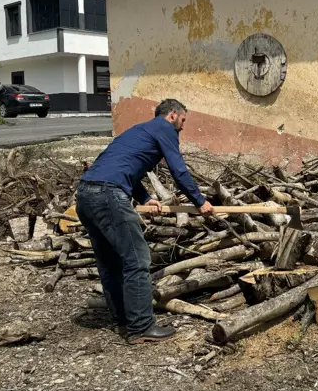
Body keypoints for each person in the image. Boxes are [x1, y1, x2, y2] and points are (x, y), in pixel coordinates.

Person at [75, 99, 215, 344]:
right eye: (183, 120)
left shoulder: (138, 131)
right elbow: (178, 170)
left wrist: (146, 198)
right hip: (109, 195)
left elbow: (123, 169)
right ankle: (140, 327)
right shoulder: (165, 129)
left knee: (110, 261)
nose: (182, 126)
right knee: (137, 260)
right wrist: (199, 201)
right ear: (173, 115)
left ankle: (122, 318)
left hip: (86, 194)